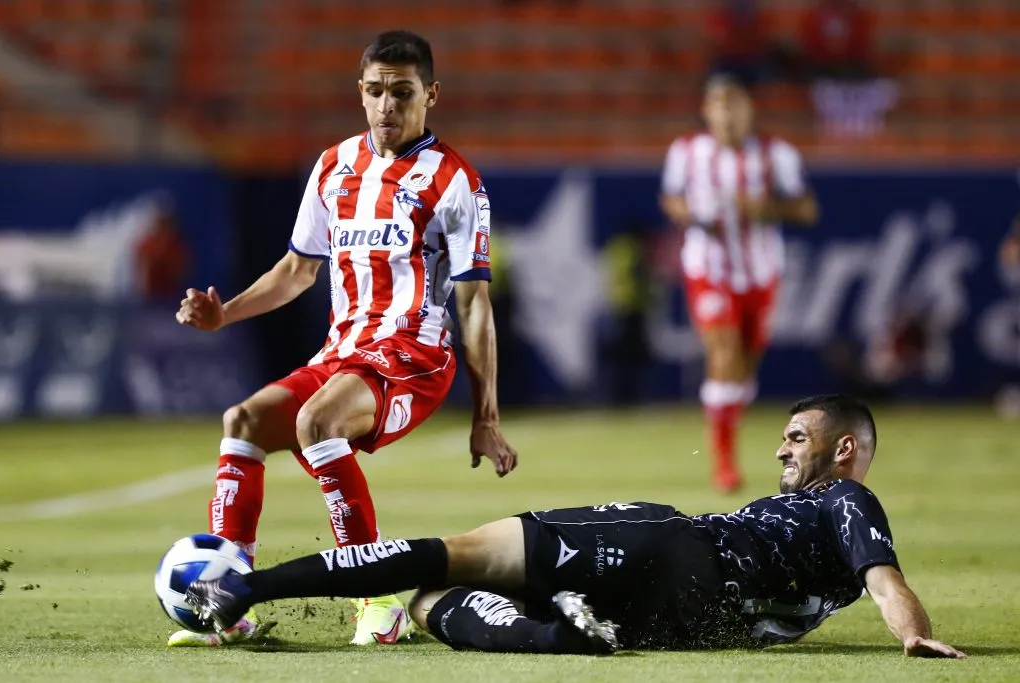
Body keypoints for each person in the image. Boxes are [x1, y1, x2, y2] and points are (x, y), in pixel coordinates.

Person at [172, 30, 518, 647]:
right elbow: (297, 270)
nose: (388, 106)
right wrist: (226, 315)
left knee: (316, 423)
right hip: (343, 354)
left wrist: (485, 415)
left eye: (402, 93)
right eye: (376, 91)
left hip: (413, 356)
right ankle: (228, 600)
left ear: (430, 95)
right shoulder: (334, 167)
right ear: (360, 93)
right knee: (243, 421)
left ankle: (377, 600)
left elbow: (474, 303)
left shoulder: (453, 180)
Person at [186, 395, 966, 659]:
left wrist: (912, 634)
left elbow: (886, 578)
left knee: (447, 559)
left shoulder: (847, 500)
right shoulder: (823, 526)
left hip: (677, 544)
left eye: (798, 437)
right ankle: (555, 633)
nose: (781, 446)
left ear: (845, 449)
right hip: (692, 625)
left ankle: (246, 585)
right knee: (434, 601)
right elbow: (868, 581)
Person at [659, 74, 819, 493]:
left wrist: (762, 207)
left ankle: (727, 421)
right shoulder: (687, 152)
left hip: (761, 272)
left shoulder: (774, 154)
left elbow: (806, 208)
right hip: (709, 269)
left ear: (749, 110)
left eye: (735, 105)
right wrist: (691, 215)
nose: (727, 115)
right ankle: (724, 462)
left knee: (744, 367)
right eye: (718, 105)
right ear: (706, 111)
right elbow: (672, 197)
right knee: (725, 354)